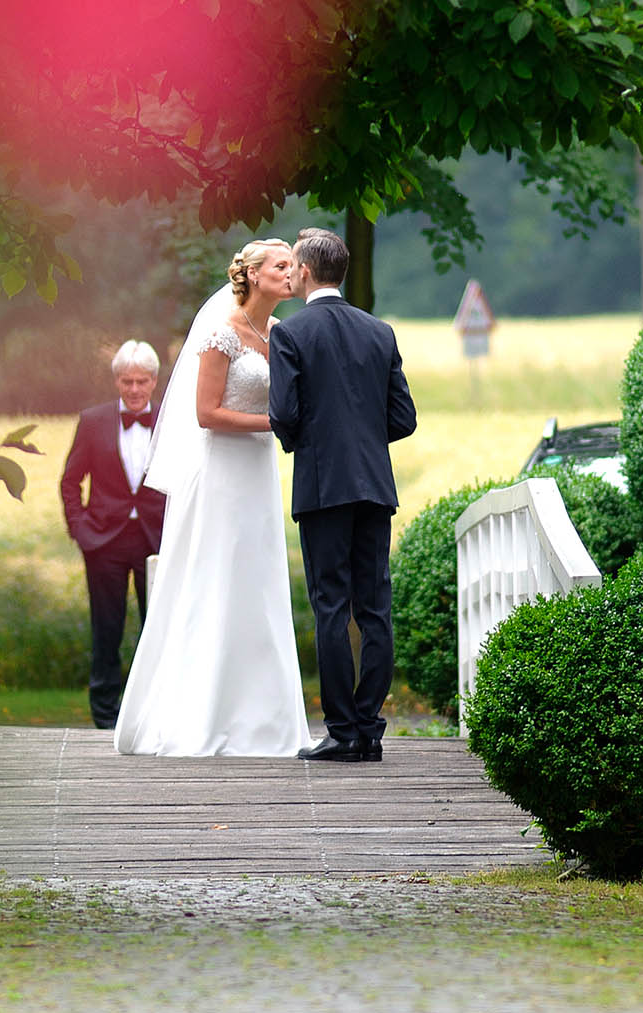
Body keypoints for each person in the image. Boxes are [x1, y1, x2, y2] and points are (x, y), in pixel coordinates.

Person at [113, 240, 310, 757]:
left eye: (293, 265)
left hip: (258, 473)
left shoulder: (280, 335)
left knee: (259, 585)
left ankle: (265, 721)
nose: (291, 273)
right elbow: (206, 414)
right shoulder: (222, 333)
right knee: (214, 580)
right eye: (281, 265)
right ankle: (201, 715)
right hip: (221, 472)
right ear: (254, 275)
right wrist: (276, 423)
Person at [268, 227, 417, 762]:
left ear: (304, 272)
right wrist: (363, 443)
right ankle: (371, 730)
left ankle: (341, 731)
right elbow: (404, 418)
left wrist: (307, 445)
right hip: (375, 487)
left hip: (323, 486)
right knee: (374, 607)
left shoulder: (290, 333)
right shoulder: (380, 331)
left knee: (331, 605)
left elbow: (283, 414)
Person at [61, 340, 167, 731]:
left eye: (141, 381)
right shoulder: (92, 421)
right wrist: (81, 530)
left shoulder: (171, 423)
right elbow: (70, 482)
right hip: (104, 540)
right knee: (106, 627)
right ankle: (105, 714)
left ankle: (152, 710)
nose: (135, 390)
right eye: (127, 381)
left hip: (156, 540)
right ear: (116, 381)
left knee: (156, 626)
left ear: (154, 381)